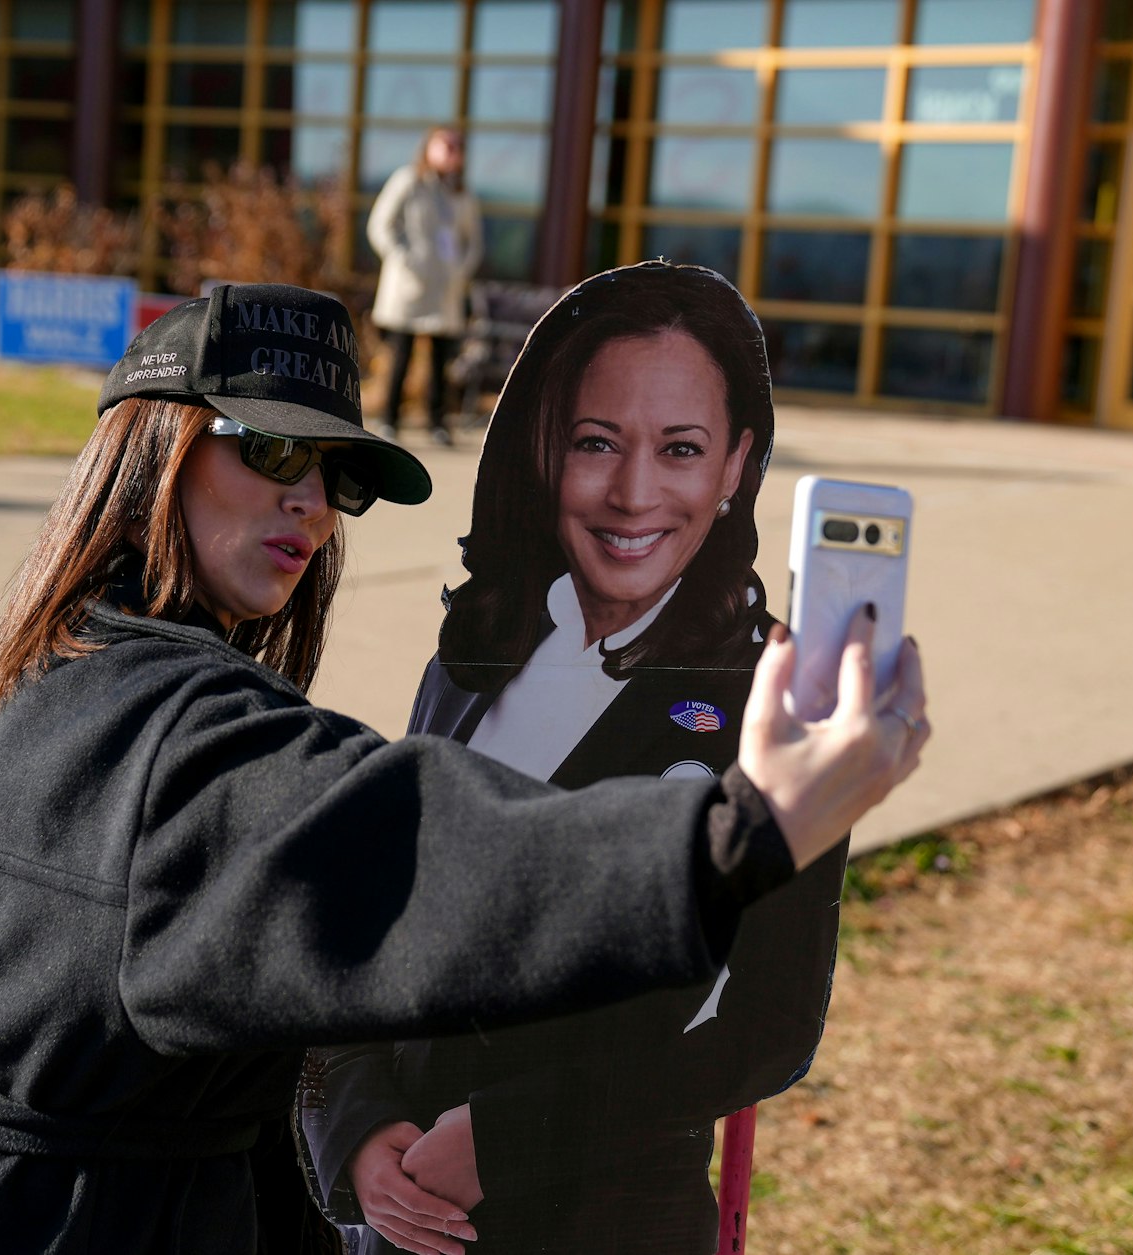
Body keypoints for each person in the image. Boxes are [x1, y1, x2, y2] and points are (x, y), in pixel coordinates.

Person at [0, 282, 932, 1255]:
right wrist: (741, 832)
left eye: (334, 474)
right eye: (268, 450)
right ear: (154, 448)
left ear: (736, 463)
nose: (309, 503)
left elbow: (308, 957)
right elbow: (421, 856)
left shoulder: (80, 663)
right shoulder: (169, 731)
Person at [301, 263, 853, 1255]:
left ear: (735, 462)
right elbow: (374, 925)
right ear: (541, 448)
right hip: (401, 1218)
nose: (633, 493)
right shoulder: (474, 652)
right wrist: (356, 1131)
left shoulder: (777, 697)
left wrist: (507, 1137)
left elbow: (768, 1024)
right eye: (595, 442)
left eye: (679, 448)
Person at [368, 126, 482, 447]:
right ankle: (390, 420)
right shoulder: (408, 181)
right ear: (428, 147)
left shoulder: (461, 193)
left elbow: (472, 241)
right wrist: (403, 260)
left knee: (439, 360)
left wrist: (461, 270)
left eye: (456, 146)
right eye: (444, 144)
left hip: (445, 291)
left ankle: (437, 422)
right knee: (400, 354)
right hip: (409, 288)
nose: (450, 151)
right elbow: (380, 226)